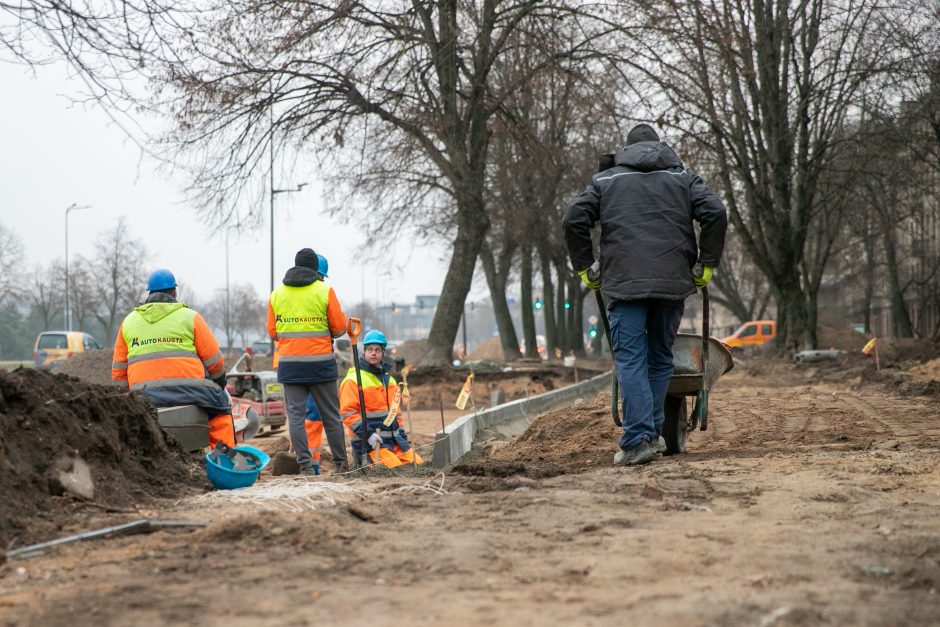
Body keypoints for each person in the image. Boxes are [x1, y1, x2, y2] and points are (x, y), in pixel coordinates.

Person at [563, 123, 727, 466]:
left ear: (625, 150)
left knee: (631, 359)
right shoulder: (683, 178)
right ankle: (650, 434)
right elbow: (715, 212)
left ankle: (638, 438)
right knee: (659, 357)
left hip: (624, 285)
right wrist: (705, 264)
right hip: (672, 284)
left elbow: (574, 220)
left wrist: (585, 267)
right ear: (660, 146)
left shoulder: (606, 181)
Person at [112, 269, 236, 448]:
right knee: (220, 410)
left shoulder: (128, 322)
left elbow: (118, 373)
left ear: (149, 293)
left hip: (143, 395)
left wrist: (127, 398)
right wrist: (220, 382)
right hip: (192, 391)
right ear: (174, 292)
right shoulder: (190, 317)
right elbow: (214, 361)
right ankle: (227, 460)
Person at [267, 248, 349, 475]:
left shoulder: (277, 294)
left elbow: (272, 331)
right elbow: (339, 328)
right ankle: (341, 464)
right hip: (321, 365)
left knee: (295, 417)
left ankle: (304, 466)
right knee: (331, 415)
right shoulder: (324, 291)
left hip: (290, 366)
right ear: (315, 270)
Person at [339, 329, 423, 468]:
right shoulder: (353, 380)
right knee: (394, 467)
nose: (373, 353)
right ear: (364, 352)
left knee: (417, 463)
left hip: (395, 440)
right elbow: (348, 413)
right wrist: (369, 434)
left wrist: (402, 436)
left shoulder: (390, 381)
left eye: (377, 350)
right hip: (370, 443)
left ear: (383, 353)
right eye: (370, 349)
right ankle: (365, 463)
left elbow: (396, 413)